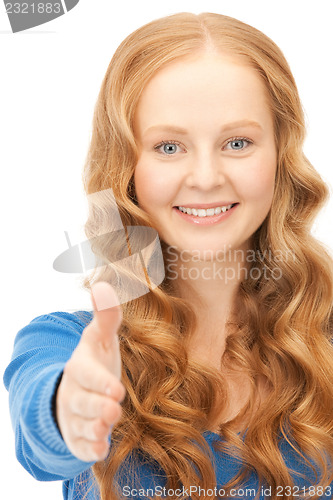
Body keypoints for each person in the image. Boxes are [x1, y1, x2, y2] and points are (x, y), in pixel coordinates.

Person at [4, 11, 333, 500]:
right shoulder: (66, 343)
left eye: (237, 142)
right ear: (127, 167)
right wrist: (68, 410)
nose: (204, 177)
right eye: (169, 146)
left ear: (281, 155)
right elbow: (44, 441)